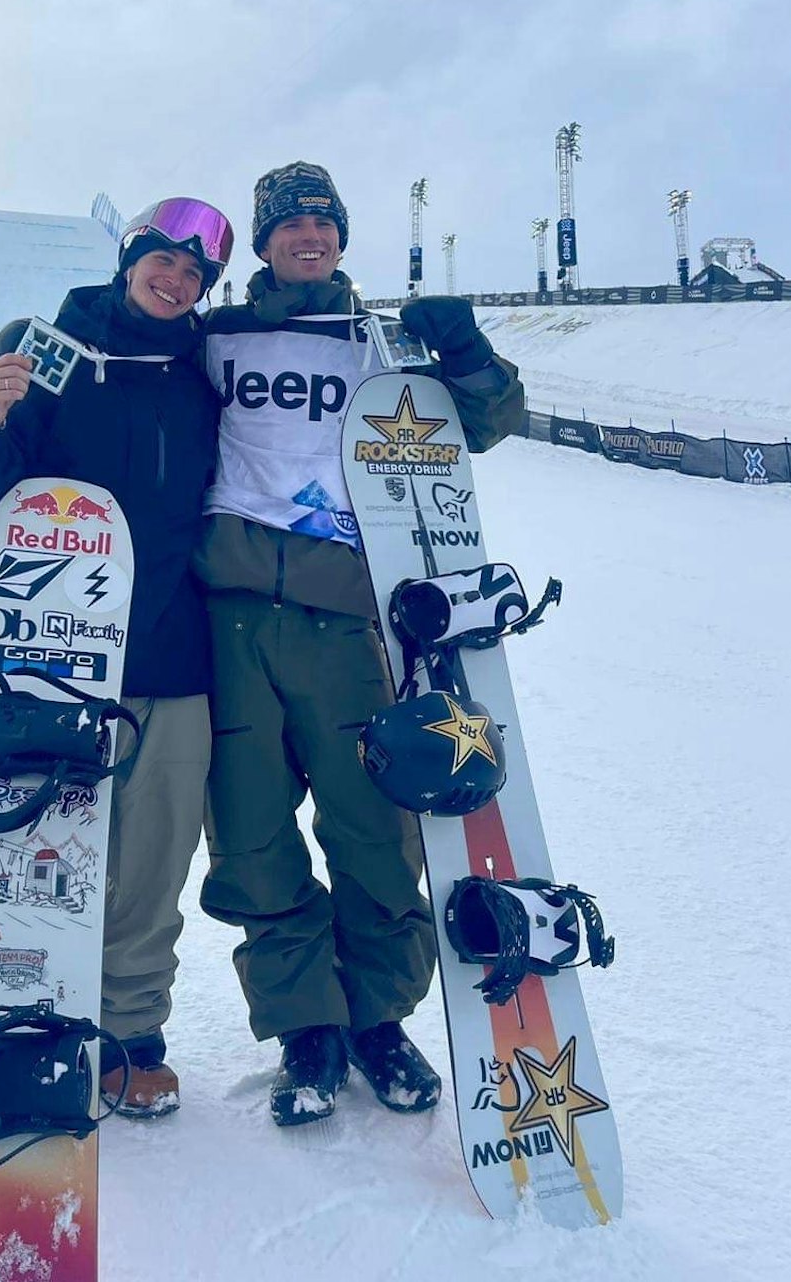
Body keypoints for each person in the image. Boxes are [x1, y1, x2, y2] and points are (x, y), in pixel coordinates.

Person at [194, 162, 525, 1127]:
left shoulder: (377, 342)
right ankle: (307, 1026)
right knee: (251, 837)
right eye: (290, 222)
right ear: (260, 244)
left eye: (324, 222)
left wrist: (464, 351)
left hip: (349, 618)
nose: (310, 235)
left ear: (341, 238)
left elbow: (487, 424)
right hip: (234, 612)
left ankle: (379, 1016)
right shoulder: (214, 339)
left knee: (374, 831)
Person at [0, 197, 232, 1118]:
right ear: (130, 258)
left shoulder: (205, 374)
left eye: (196, 275)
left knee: (152, 859)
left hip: (173, 648)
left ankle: (131, 1029)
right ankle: (25, 1013)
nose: (177, 279)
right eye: (164, 261)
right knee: (47, 842)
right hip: (61, 645)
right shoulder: (56, 355)